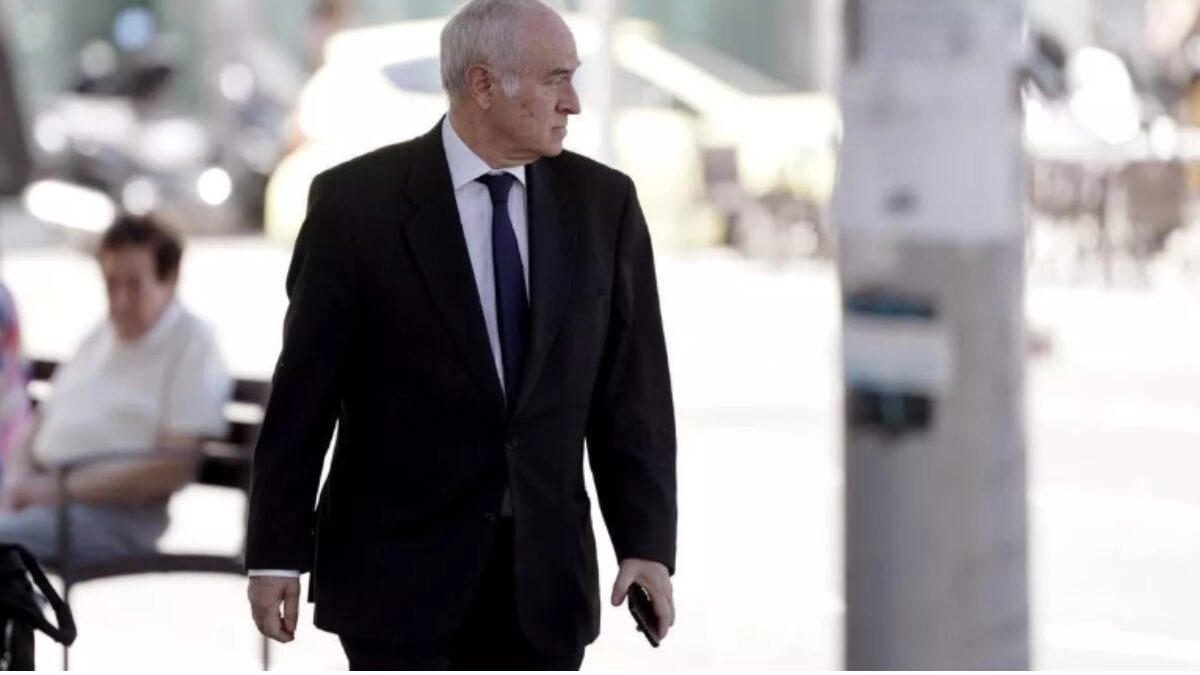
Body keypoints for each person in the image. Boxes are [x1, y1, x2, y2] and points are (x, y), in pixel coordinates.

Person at [245, 0, 677, 669]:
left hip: (545, 582)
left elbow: (633, 394)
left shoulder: (604, 205)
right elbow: (304, 394)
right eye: (555, 79)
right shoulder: (356, 206)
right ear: (483, 84)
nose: (573, 102)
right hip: (396, 578)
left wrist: (645, 543)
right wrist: (276, 551)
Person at [0, 215, 232, 566]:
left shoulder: (193, 344)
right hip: (41, 498)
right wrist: (16, 482)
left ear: (169, 278)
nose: (120, 301)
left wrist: (55, 491)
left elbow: (173, 466)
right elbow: (39, 422)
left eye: (134, 285)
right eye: (111, 284)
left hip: (115, 514)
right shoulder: (100, 334)